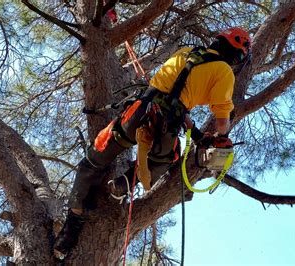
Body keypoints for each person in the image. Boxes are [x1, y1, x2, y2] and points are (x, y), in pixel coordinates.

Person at [53, 27, 252, 258]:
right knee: (163, 160)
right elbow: (220, 121)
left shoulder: (187, 52)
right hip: (165, 125)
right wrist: (221, 136)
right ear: (237, 56)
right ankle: (124, 184)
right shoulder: (224, 71)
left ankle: (72, 223)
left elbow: (171, 94)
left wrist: (195, 133)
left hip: (138, 112)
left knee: (92, 160)